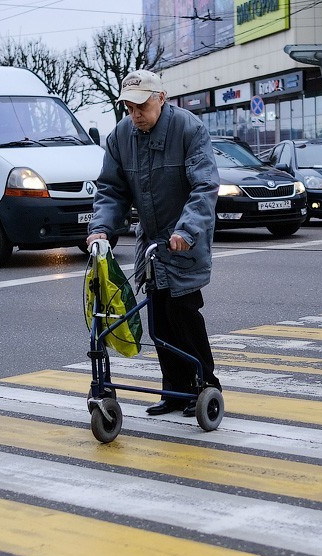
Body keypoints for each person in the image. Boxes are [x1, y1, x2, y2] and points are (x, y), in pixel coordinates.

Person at [85, 69, 221, 418]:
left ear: (162, 98)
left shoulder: (189, 129)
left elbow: (204, 186)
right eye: (129, 107)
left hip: (183, 239)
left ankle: (205, 386)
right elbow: (111, 190)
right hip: (151, 243)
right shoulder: (121, 136)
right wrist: (101, 228)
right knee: (158, 318)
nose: (135, 114)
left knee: (183, 314)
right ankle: (174, 390)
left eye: (142, 106)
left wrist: (186, 231)